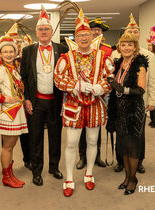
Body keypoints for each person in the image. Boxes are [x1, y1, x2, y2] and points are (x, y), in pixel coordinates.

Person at [54, 9, 114, 197]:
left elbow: (110, 77)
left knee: (92, 141)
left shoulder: (103, 57)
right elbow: (57, 78)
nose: (83, 38)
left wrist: (101, 87)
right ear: (75, 37)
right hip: (74, 105)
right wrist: (75, 85)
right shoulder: (65, 58)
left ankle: (89, 174)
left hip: (95, 105)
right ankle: (70, 178)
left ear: (92, 36)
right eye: (80, 35)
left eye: (86, 35)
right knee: (71, 142)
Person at [20, 7, 68, 186]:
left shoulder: (62, 49)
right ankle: (36, 170)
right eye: (40, 29)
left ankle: (54, 167)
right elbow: (23, 76)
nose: (43, 32)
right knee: (35, 137)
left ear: (51, 31)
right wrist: (26, 98)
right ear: (36, 32)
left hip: (56, 102)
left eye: (46, 29)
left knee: (56, 136)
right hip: (36, 101)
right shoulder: (28, 51)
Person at [111, 13, 155, 173]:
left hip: (138, 100)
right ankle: (120, 160)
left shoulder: (148, 56)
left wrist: (152, 99)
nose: (132, 35)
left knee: (138, 134)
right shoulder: (115, 56)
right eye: (129, 33)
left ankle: (139, 161)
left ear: (138, 36)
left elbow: (152, 80)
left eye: (135, 32)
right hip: (118, 103)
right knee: (120, 133)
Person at [107, 33, 148, 195]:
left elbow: (141, 89)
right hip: (119, 110)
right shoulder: (116, 65)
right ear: (119, 47)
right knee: (122, 147)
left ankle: (133, 179)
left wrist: (121, 88)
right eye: (123, 44)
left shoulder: (140, 65)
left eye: (130, 45)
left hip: (134, 111)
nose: (126, 48)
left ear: (135, 47)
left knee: (133, 147)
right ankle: (126, 177)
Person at [0, 36, 28, 188]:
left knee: (11, 146)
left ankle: (10, 174)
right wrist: (2, 98)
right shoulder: (1, 69)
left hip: (17, 111)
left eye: (11, 51)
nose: (9, 54)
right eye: (5, 52)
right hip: (9, 113)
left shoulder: (14, 68)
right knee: (7, 147)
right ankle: (6, 177)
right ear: (0, 54)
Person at [76, 17, 112, 169]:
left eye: (99, 31)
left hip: (99, 97)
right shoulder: (77, 49)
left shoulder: (107, 50)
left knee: (95, 129)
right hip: (80, 95)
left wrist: (102, 89)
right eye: (94, 31)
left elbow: (109, 74)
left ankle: (96, 155)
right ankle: (82, 156)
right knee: (81, 129)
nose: (96, 33)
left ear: (101, 34)